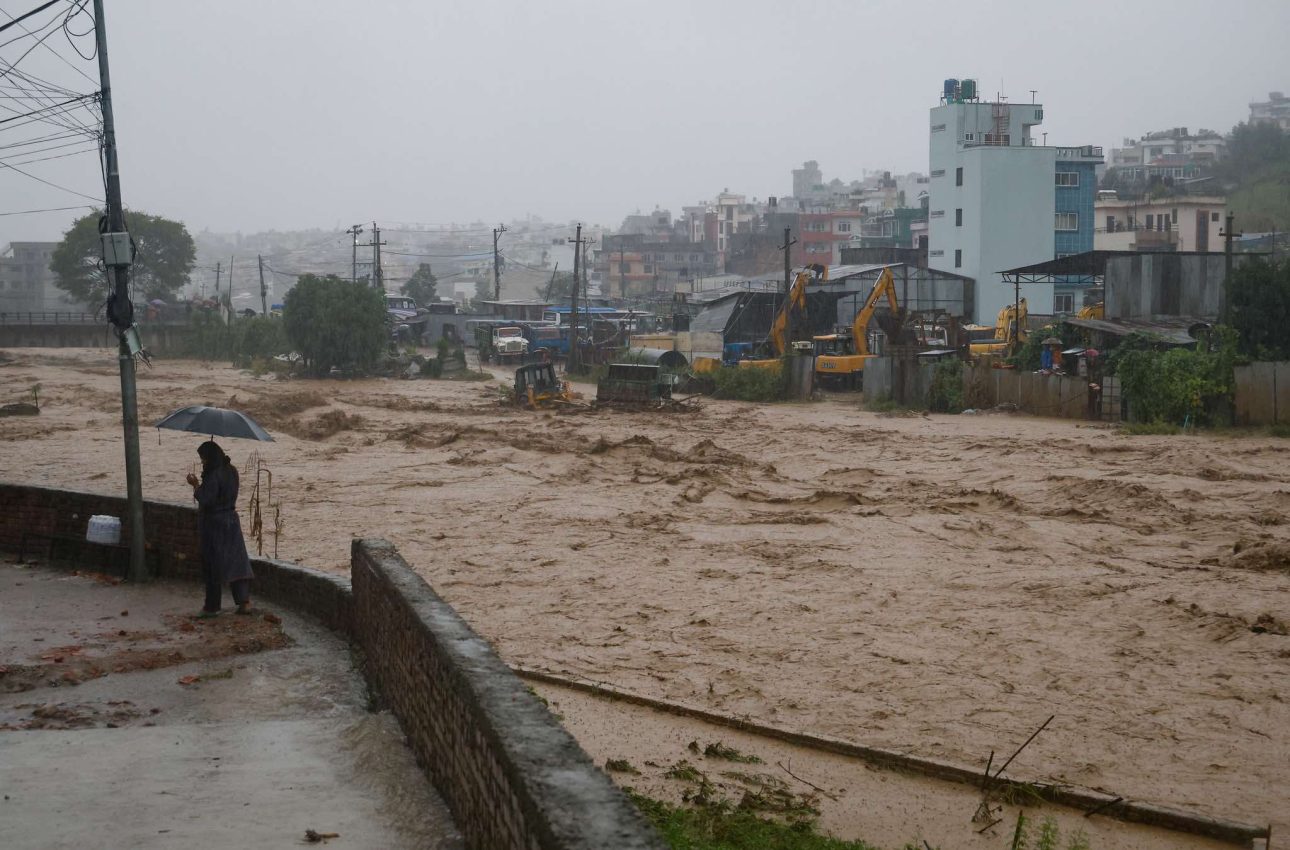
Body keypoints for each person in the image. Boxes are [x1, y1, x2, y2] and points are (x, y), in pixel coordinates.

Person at [186, 440, 254, 617]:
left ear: (210, 457)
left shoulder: (213, 475)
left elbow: (206, 499)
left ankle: (212, 606)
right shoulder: (232, 471)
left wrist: (195, 485)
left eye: (203, 458)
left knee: (212, 566)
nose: (202, 462)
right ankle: (244, 602)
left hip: (214, 524)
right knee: (237, 562)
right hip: (231, 521)